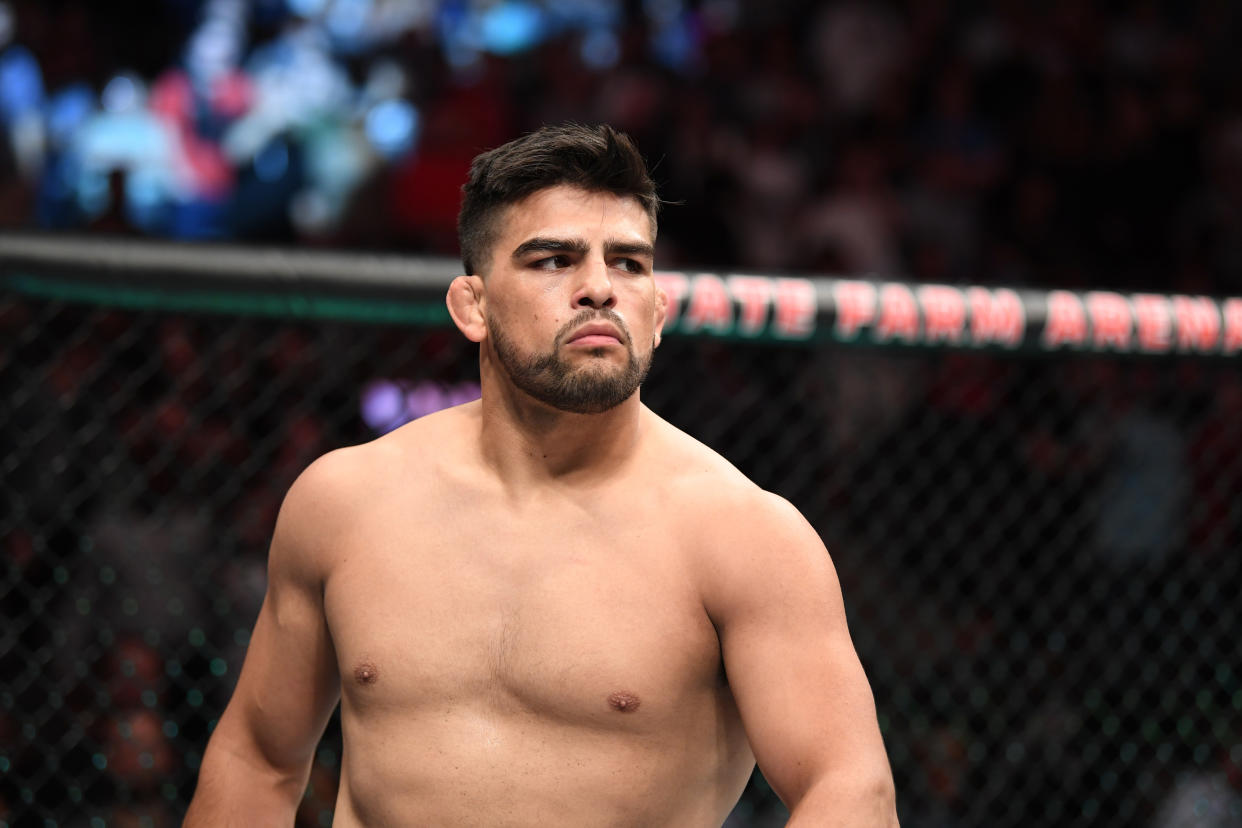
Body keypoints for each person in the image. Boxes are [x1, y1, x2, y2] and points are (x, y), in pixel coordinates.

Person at [185, 123, 897, 826]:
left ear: (658, 315)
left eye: (629, 263)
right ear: (473, 306)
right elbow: (258, 759)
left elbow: (849, 790)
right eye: (554, 260)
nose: (599, 289)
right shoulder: (345, 501)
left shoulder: (744, 536)